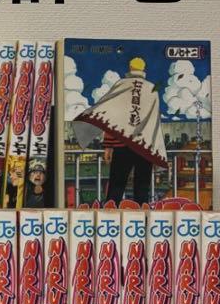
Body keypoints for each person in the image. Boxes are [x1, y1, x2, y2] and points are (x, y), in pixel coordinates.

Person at [72, 56, 168, 205]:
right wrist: (156, 151)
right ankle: (142, 217)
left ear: (130, 68)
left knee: (116, 187)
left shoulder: (121, 85)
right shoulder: (152, 89)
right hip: (144, 146)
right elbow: (154, 122)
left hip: (122, 145)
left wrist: (108, 146)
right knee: (142, 188)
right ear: (143, 69)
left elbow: (111, 117)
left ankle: (110, 214)